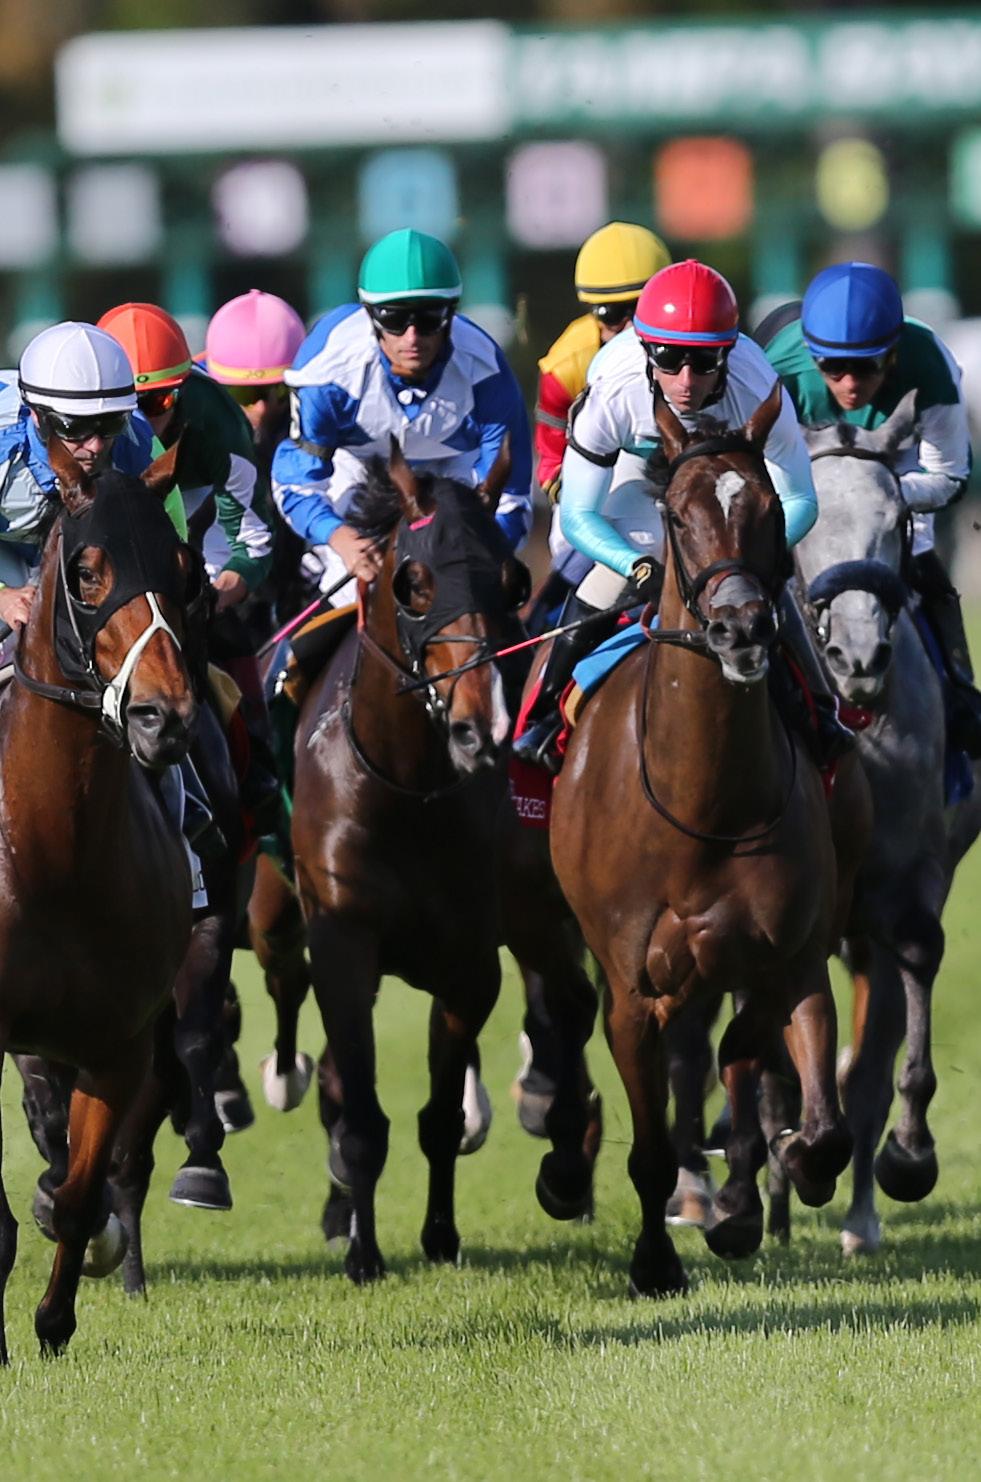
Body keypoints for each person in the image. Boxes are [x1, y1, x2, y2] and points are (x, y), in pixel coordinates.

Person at [514, 258, 852, 768]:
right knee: (629, 556)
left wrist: (751, 557)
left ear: (729, 352)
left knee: (757, 580)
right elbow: (579, 515)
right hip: (633, 466)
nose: (687, 380)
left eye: (704, 361)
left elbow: (801, 500)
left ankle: (820, 710)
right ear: (646, 349)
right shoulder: (615, 392)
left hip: (723, 479)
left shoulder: (758, 388)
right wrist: (634, 565)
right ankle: (544, 714)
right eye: (669, 359)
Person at [760, 260, 981, 756]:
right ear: (811, 357)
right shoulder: (776, 372)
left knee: (922, 559)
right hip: (805, 473)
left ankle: (960, 694)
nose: (848, 383)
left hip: (897, 468)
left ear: (894, 353)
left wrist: (879, 494)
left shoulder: (929, 364)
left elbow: (950, 475)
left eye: (865, 366)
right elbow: (752, 472)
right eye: (831, 367)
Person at [272, 227, 533, 602]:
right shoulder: (326, 373)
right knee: (343, 587)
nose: (412, 337)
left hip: (455, 470)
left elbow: (512, 498)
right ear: (371, 316)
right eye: (395, 319)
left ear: (450, 315)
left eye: (428, 319)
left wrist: (483, 548)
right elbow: (297, 482)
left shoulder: (487, 372)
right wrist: (337, 536)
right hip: (357, 467)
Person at [97, 301, 280, 831]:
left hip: (196, 516)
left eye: (156, 401)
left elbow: (252, 540)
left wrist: (220, 593)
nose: (138, 420)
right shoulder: (85, 428)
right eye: (126, 404)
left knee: (217, 625)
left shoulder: (218, 422)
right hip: (104, 521)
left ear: (182, 390)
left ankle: (256, 767)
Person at [0, 321, 153, 632]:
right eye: (75, 427)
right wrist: (2, 596)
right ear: (38, 416)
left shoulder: (136, 442)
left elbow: (167, 532)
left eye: (110, 424)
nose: (95, 446)